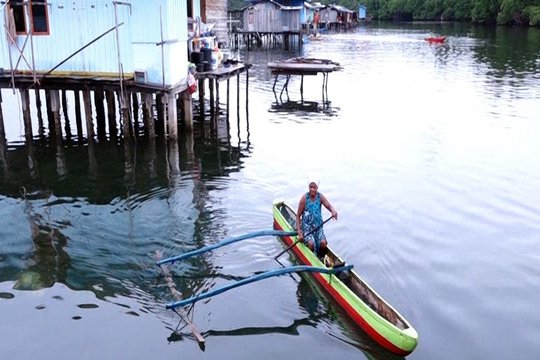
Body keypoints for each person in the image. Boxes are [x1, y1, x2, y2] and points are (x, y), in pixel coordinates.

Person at [296, 179, 338, 256]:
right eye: (310, 187)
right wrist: (299, 232)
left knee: (323, 244)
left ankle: (321, 258)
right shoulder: (304, 198)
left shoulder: (320, 197)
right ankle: (311, 257)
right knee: (311, 244)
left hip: (318, 228)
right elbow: (298, 216)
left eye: (314, 187)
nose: (312, 189)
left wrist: (333, 211)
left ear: (317, 188)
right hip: (307, 230)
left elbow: (329, 206)